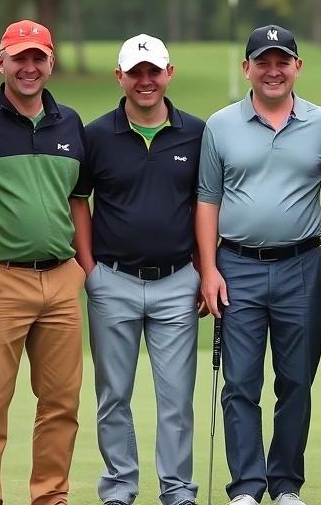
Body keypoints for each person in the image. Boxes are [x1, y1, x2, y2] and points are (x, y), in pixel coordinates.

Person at [194, 24, 321, 505]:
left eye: (283, 61)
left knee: (296, 380)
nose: (273, 71)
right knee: (240, 381)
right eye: (264, 62)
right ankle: (246, 487)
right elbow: (207, 202)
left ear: (298, 67)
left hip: (302, 265)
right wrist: (209, 270)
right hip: (235, 265)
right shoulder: (220, 125)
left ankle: (284, 484)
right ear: (247, 69)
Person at [0, 20, 90, 505]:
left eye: (38, 58)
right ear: (2, 63)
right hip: (0, 280)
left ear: (51, 62)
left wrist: (82, 268)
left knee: (61, 402)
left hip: (61, 280)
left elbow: (78, 200)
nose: (29, 68)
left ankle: (50, 496)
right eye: (20, 58)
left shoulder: (69, 122)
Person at [75, 34, 205, 505]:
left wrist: (202, 270)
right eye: (136, 73)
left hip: (176, 282)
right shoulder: (95, 135)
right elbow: (79, 202)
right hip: (112, 280)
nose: (146, 81)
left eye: (154, 72)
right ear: (120, 77)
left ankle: (176, 490)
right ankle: (120, 488)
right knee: (113, 396)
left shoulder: (196, 132)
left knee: (176, 399)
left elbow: (203, 205)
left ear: (169, 74)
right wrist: (89, 269)